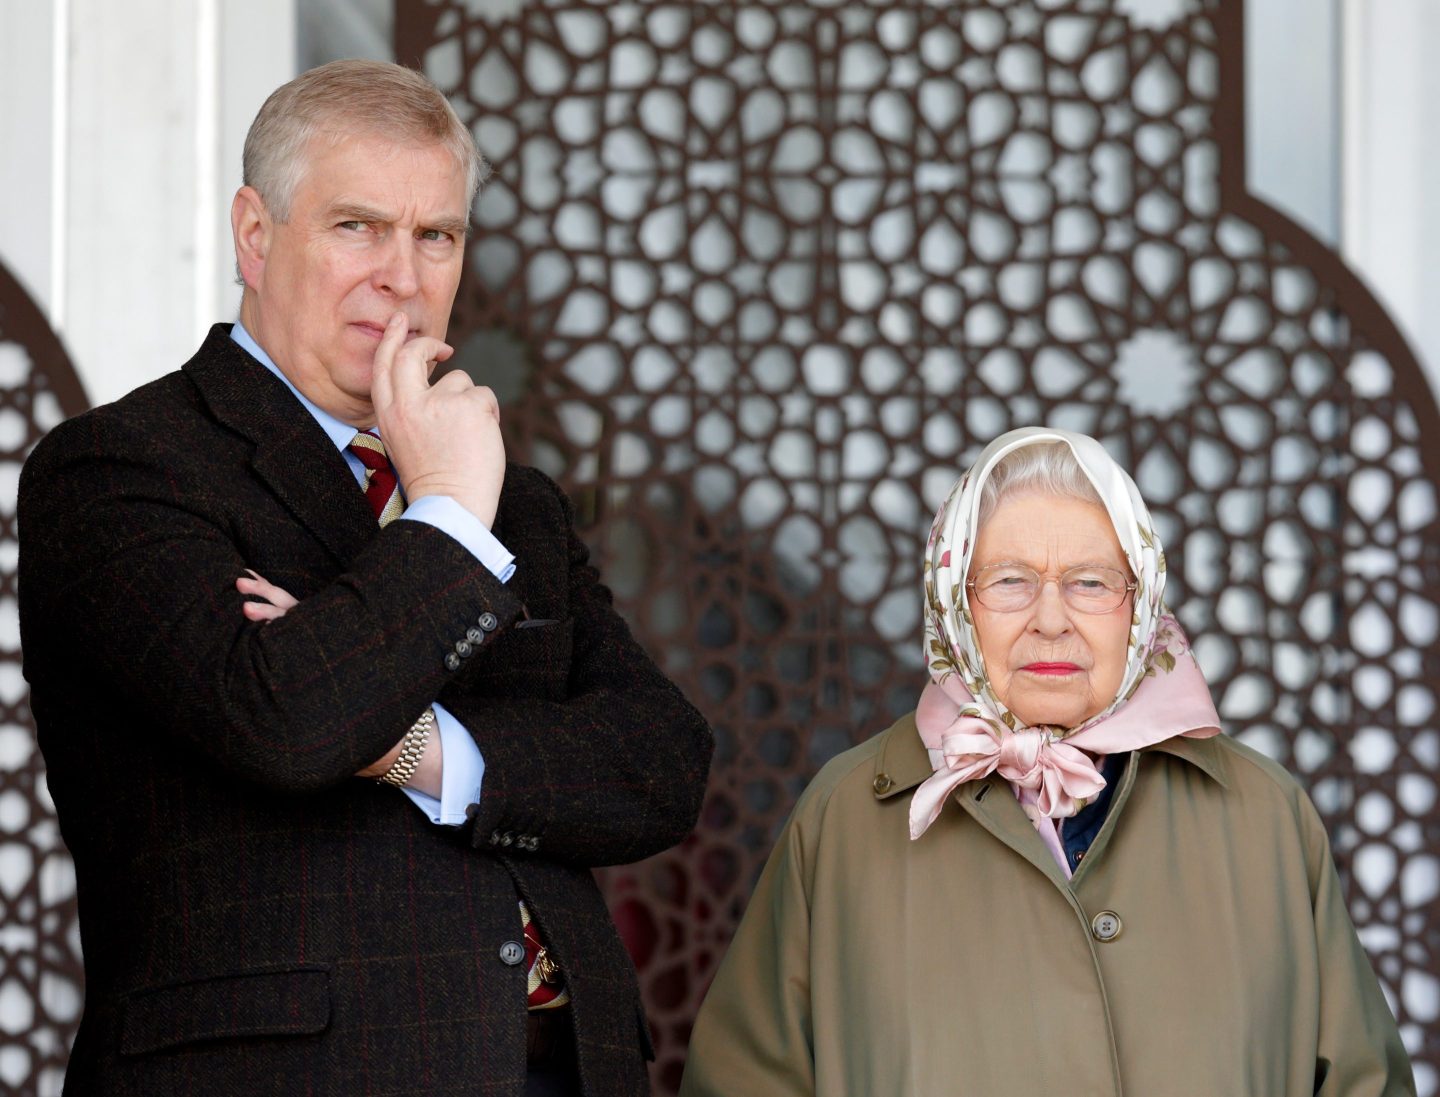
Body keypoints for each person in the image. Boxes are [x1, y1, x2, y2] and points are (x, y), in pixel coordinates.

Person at [19, 59, 712, 1097]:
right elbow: (287, 717)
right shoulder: (119, 469)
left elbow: (661, 761)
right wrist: (441, 519)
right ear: (255, 235)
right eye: (359, 227)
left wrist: (422, 748)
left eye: (436, 234)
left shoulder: (510, 498)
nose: (403, 274)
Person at [680, 427, 1413, 1096]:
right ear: (955, 604)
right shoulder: (846, 815)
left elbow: (1363, 1079)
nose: (1052, 617)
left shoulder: (1261, 813)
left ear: (1141, 603)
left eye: (1091, 582)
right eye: (1009, 581)